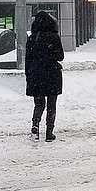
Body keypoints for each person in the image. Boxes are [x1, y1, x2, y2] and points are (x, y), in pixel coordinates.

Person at [25, 11, 64, 142]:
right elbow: (60, 56)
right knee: (51, 105)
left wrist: (28, 76)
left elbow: (27, 60)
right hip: (52, 74)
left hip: (36, 76)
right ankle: (49, 132)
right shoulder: (54, 37)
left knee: (39, 104)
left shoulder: (32, 38)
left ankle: (35, 125)